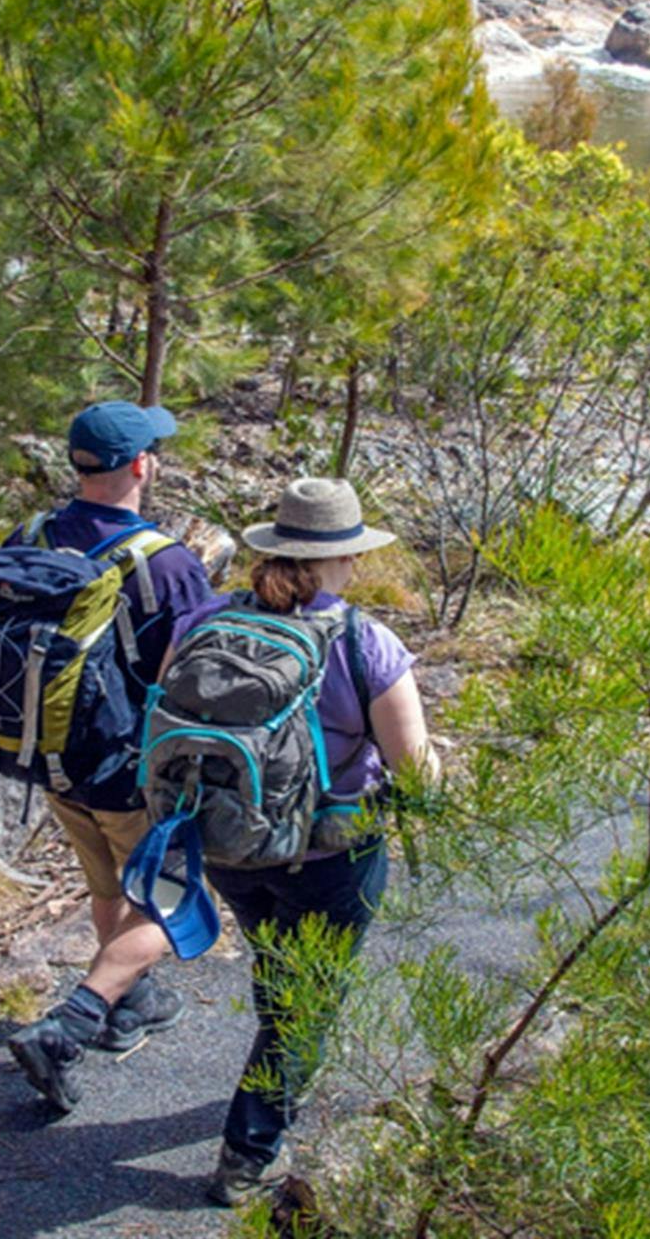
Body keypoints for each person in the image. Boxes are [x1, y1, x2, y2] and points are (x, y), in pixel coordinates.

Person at [173, 477, 439, 1207]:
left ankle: (275, 1062)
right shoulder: (366, 642)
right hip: (331, 850)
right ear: (344, 559)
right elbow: (416, 770)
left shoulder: (203, 621)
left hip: (225, 841)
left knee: (279, 963)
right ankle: (247, 1151)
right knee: (311, 998)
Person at [4, 400, 216, 1111]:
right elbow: (197, 674)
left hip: (50, 755)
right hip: (132, 765)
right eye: (153, 450)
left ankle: (133, 1003)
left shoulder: (32, 534)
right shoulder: (165, 562)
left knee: (108, 885)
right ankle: (76, 1021)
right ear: (139, 465)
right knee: (172, 897)